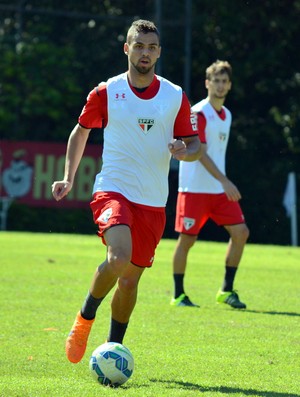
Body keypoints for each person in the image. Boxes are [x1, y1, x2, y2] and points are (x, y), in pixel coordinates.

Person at [52, 19, 200, 364]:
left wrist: (183, 148)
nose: (145, 53)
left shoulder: (175, 95)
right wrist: (68, 177)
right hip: (113, 189)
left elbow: (194, 146)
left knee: (130, 281)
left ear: (159, 52)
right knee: (118, 258)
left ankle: (112, 350)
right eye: (139, 46)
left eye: (151, 47)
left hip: (152, 201)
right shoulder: (107, 91)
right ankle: (85, 318)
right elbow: (81, 131)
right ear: (127, 49)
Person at [170, 60, 249, 309]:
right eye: (216, 80)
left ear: (229, 85)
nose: (221, 85)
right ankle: (179, 295)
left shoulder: (226, 115)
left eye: (225, 81)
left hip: (217, 189)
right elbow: (201, 153)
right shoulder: (199, 113)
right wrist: (225, 180)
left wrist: (222, 182)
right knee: (187, 241)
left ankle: (226, 290)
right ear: (207, 83)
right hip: (194, 189)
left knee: (241, 233)